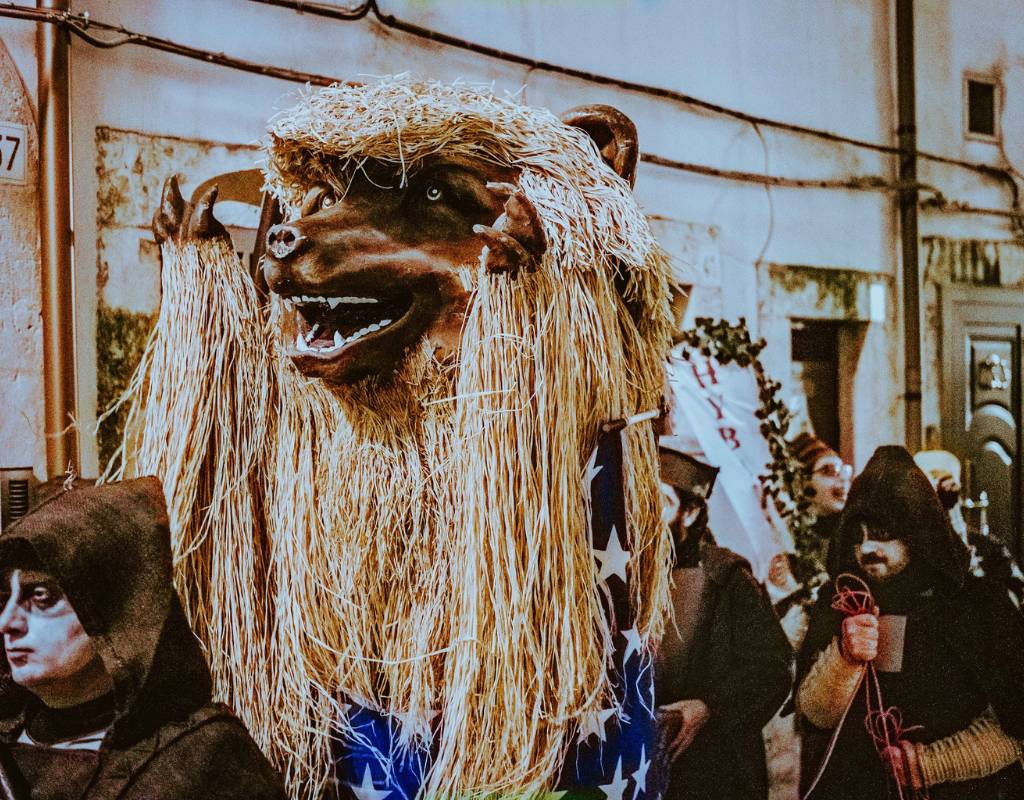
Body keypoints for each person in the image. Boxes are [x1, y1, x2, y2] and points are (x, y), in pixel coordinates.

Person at [0, 477, 287, 800]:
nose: (7, 623)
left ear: (115, 608)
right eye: (3, 600)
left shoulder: (200, 759)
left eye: (41, 597)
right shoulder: (8, 744)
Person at [796, 446, 1024, 800]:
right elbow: (814, 717)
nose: (867, 548)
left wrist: (933, 764)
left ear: (916, 533)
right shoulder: (839, 599)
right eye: (858, 535)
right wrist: (844, 658)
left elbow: (1016, 727)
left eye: (883, 533)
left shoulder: (976, 603)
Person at [654, 440, 792, 800]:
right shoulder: (618, 579)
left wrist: (709, 707)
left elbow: (771, 669)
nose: (648, 515)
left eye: (663, 502)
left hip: (714, 772)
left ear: (690, 513)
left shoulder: (726, 576)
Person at [915, 449, 1024, 608]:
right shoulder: (909, 549)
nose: (941, 486)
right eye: (930, 480)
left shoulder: (989, 548)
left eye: (945, 479)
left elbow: (1017, 587)